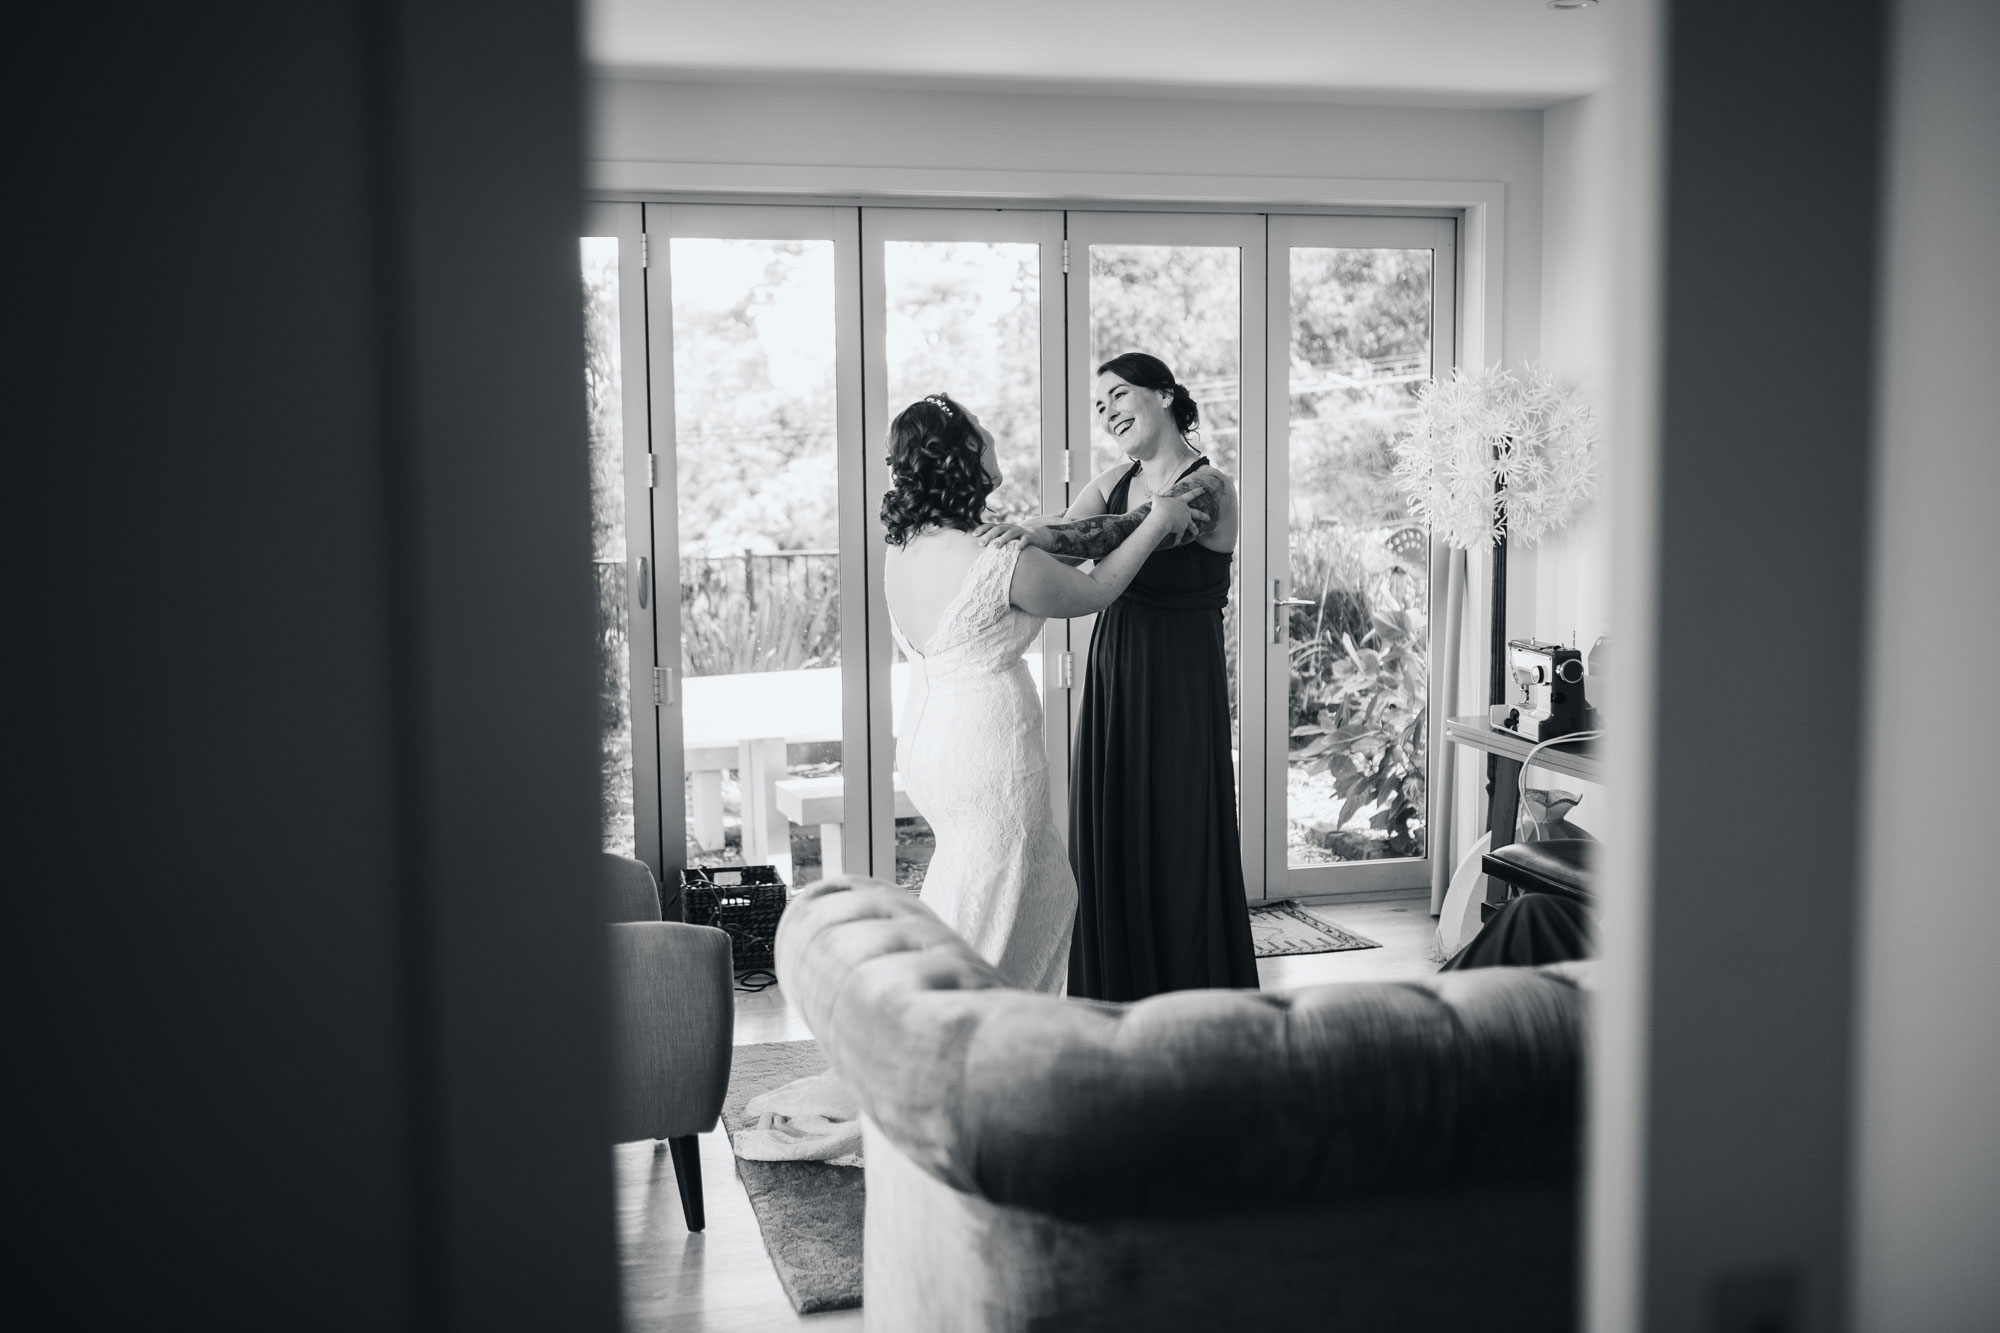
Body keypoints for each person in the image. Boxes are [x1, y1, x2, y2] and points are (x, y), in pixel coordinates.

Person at [735, 391, 1197, 1164]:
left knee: (1030, 894)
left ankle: (997, 1054)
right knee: (987, 918)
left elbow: (1052, 561)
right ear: (960, 459)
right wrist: (1154, 522)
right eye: (984, 437)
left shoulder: (910, 547)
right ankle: (940, 1069)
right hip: (989, 756)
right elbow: (1090, 591)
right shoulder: (994, 559)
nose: (994, 446)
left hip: (932, 742)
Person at [979, 353, 1258, 1001]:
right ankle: (1118, 994)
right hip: (1116, 672)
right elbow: (1072, 528)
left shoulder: (1209, 486)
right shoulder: (1112, 477)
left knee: (1180, 830)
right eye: (1099, 405)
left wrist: (1035, 534)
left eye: (1120, 394)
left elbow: (1115, 534)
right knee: (1115, 828)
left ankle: (1194, 998)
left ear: (1165, 395)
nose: (1107, 411)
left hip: (1181, 680)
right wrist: (1019, 533)